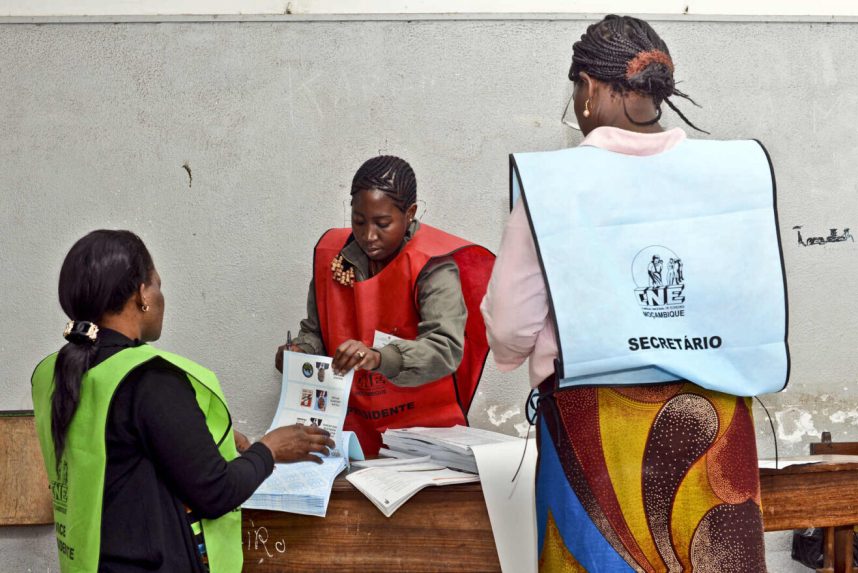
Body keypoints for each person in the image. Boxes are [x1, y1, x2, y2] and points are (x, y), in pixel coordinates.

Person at [482, 15, 787, 572]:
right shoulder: (732, 174)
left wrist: (509, 358)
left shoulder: (554, 187)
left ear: (590, 89)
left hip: (596, 426)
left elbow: (510, 327)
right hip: (717, 418)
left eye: (576, 89)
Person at [32, 230, 335, 573]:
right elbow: (217, 493)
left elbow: (118, 455)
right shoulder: (149, 379)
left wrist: (194, 437)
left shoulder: (53, 373)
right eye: (157, 285)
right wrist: (270, 449)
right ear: (142, 295)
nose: (162, 298)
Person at [276, 155, 495, 455]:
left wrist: (380, 358)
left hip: (423, 434)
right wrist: (300, 352)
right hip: (351, 427)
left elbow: (445, 349)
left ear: (410, 213)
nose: (368, 235)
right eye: (358, 220)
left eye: (383, 223)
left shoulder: (432, 264)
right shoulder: (334, 258)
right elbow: (316, 331)